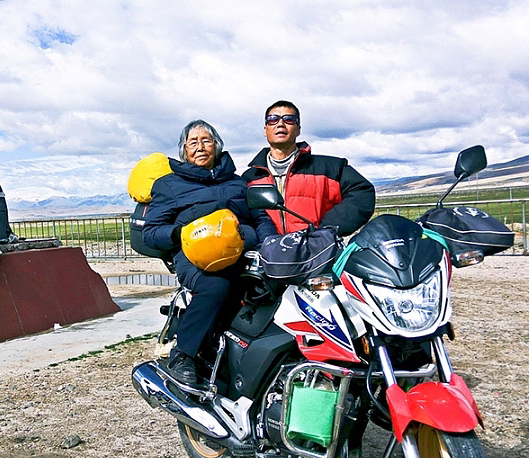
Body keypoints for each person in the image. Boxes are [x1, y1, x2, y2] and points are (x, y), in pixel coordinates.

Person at [143, 120, 277, 384]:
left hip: (241, 252)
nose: (201, 147)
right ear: (184, 150)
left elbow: (259, 218)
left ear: (217, 146)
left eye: (207, 141)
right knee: (215, 287)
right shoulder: (169, 185)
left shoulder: (237, 183)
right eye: (193, 142)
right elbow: (151, 233)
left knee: (274, 286)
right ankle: (184, 354)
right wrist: (178, 234)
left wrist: (271, 246)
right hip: (195, 258)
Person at [242, 100, 376, 236]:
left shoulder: (331, 169)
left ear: (298, 129)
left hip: (320, 253)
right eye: (273, 119)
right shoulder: (249, 178)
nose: (280, 124)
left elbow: (362, 192)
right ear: (265, 130)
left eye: (289, 119)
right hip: (267, 254)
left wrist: (327, 230)